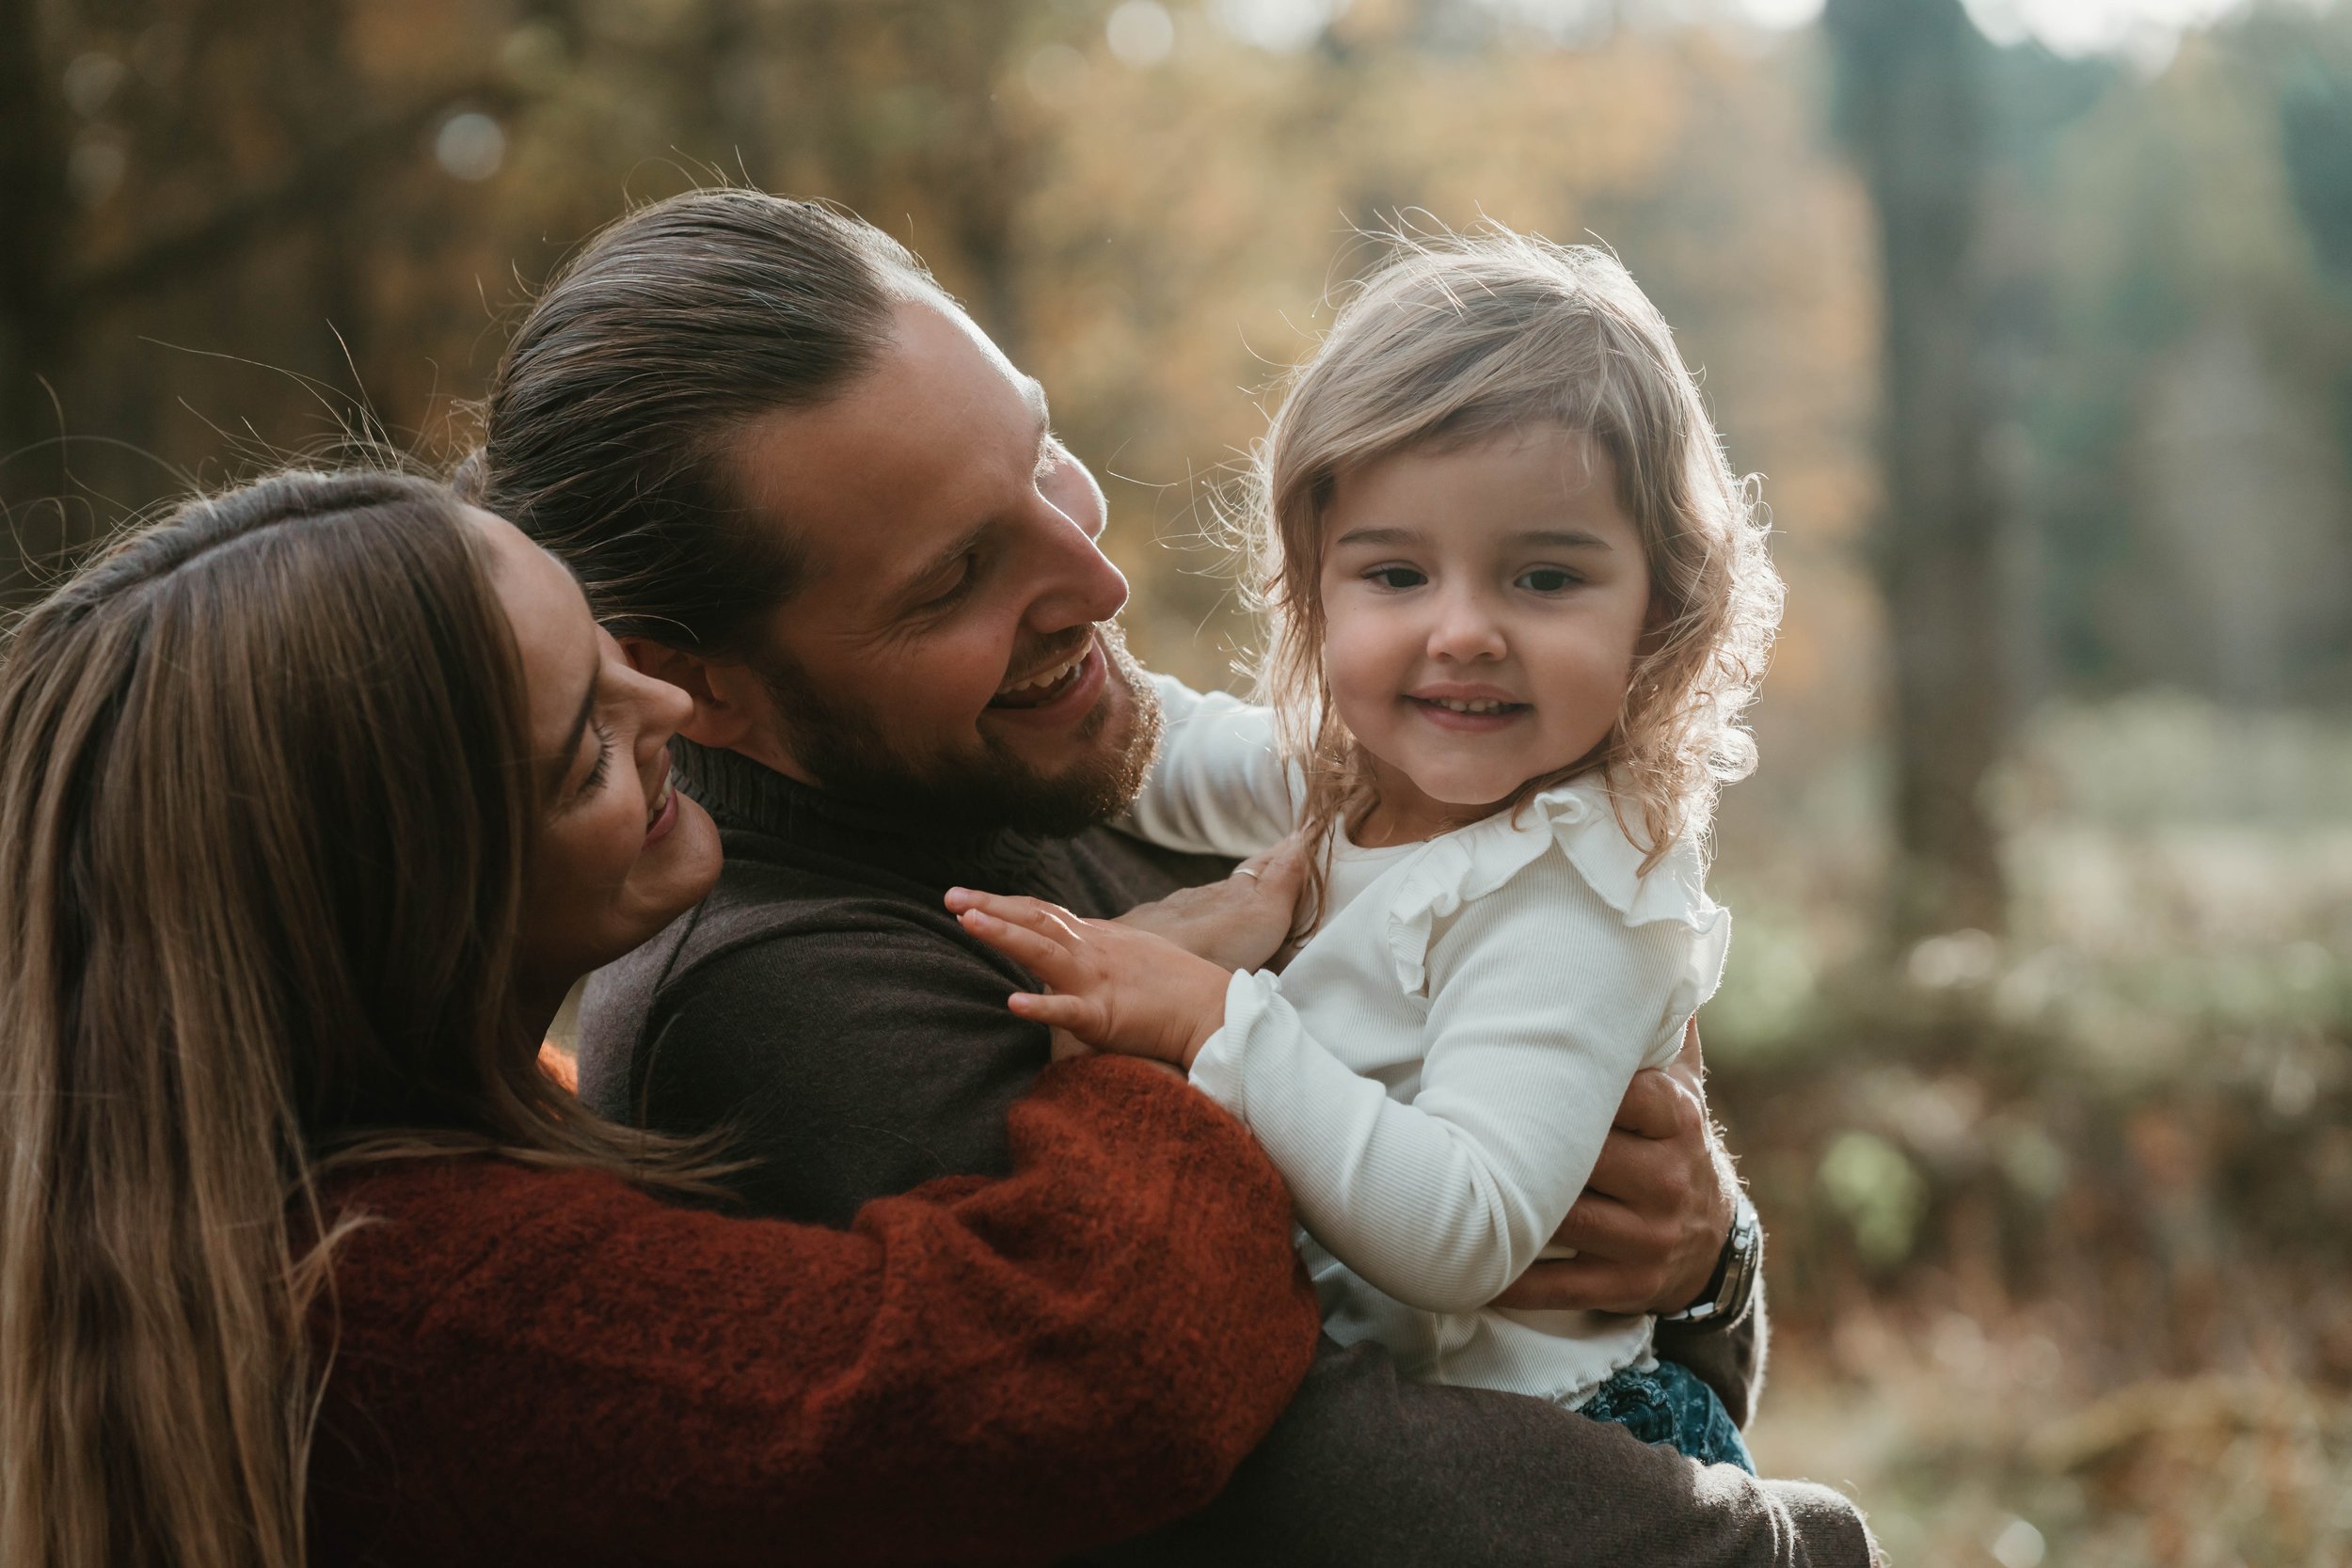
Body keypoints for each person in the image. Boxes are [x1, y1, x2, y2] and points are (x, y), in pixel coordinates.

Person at [482, 189, 1879, 1564]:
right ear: (692, 682)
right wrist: (1795, 1549)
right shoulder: (788, 1000)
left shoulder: (1054, 765)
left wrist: (1711, 1259)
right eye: (958, 572)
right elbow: (1295, 1470)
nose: (1096, 578)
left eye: (1039, 457)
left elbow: (1548, 1221)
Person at [0, 469, 1323, 1568]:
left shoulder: (324, 1210)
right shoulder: (410, 1304)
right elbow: (1096, 1377)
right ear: (405, 906)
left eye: (608, 654)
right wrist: (1137, 1027)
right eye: (585, 748)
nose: (674, 710)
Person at [950, 229, 1781, 1472]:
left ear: (1659, 613)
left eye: (1545, 579)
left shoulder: (1574, 887)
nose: (1463, 633)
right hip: (1416, 1424)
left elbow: (1465, 1229)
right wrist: (1022, 673)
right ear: (1315, 589)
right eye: (1395, 573)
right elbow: (1153, 756)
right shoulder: (1351, 765)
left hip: (1563, 1450)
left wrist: (1215, 1022)